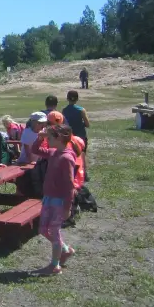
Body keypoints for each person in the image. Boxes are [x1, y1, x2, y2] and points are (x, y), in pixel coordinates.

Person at [30, 124, 78, 275]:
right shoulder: (53, 152)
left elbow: (70, 185)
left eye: (49, 138)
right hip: (48, 197)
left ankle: (54, 265)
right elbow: (35, 150)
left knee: (54, 231)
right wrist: (40, 138)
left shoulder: (66, 157)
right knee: (43, 229)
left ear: (58, 139)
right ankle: (65, 250)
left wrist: (67, 207)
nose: (47, 141)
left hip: (59, 201)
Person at [62, 90, 91, 181]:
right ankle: (84, 174)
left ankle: (71, 172)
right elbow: (87, 124)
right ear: (77, 99)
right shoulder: (81, 110)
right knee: (82, 154)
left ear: (67, 98)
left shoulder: (64, 110)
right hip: (81, 136)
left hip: (69, 136)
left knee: (70, 154)